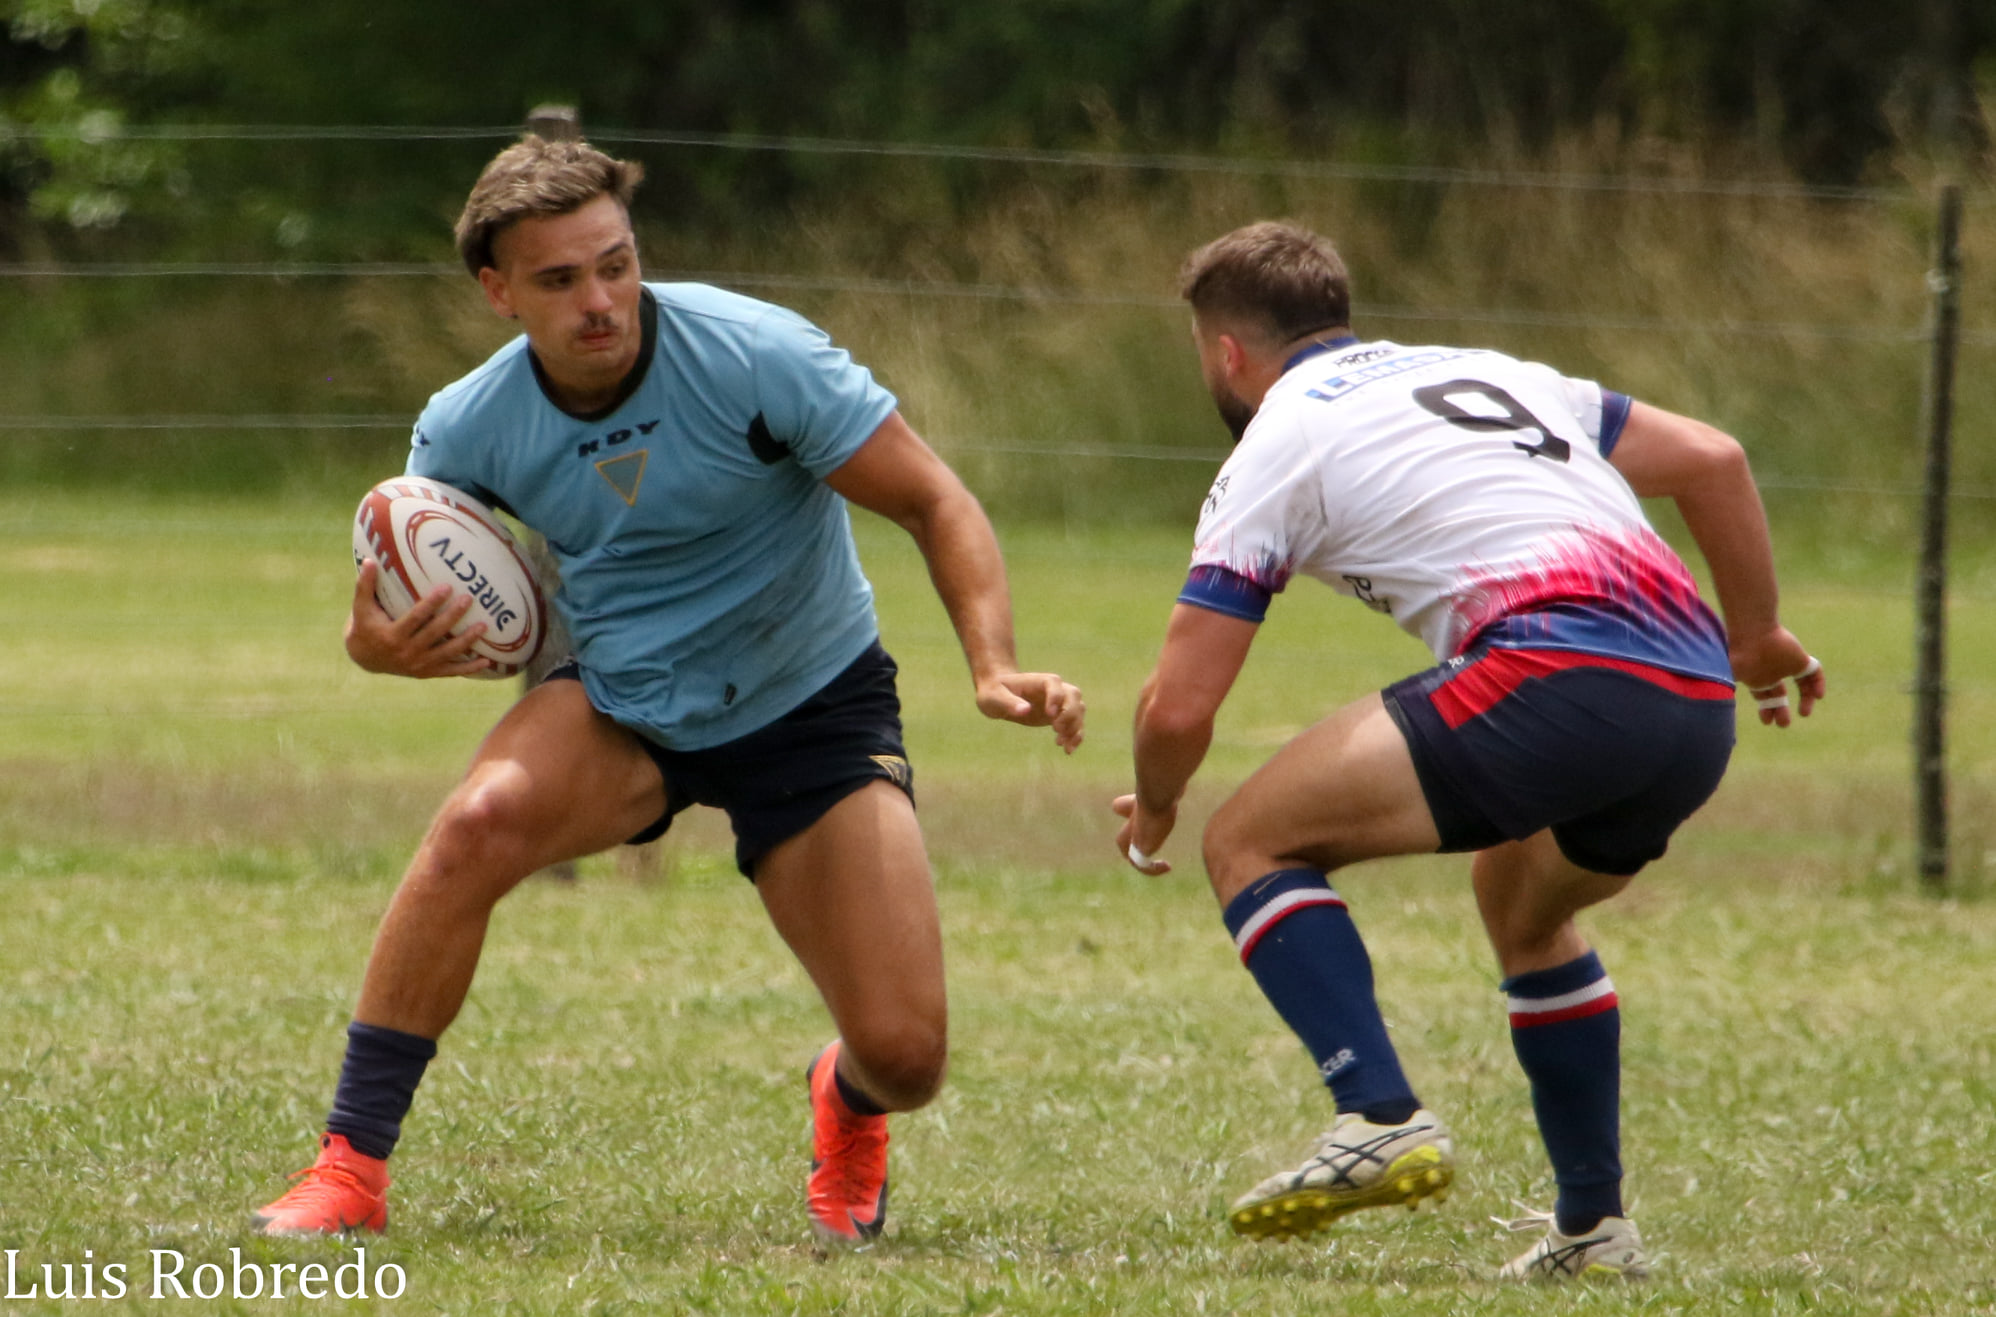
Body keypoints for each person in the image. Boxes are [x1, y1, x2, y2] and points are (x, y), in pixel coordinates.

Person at [252, 135, 1085, 1244]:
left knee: (908, 1056)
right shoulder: (464, 427)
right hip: (621, 702)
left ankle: (843, 1099)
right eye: (559, 280)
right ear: (498, 292)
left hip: (808, 704)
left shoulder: (752, 355)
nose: (600, 301)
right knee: (472, 827)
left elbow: (935, 501)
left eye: (615, 263)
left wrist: (991, 662)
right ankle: (349, 1169)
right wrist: (376, 647)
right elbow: (406, 587)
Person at [1113, 221, 1823, 1280]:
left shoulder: (1279, 434)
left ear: (1225, 354)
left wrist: (1156, 803)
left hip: (1552, 674)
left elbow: (1178, 708)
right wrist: (1754, 636)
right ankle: (1594, 1230)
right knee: (1524, 903)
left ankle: (1377, 1112)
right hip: (1687, 701)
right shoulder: (1487, 370)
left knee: (1248, 842)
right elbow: (1711, 459)